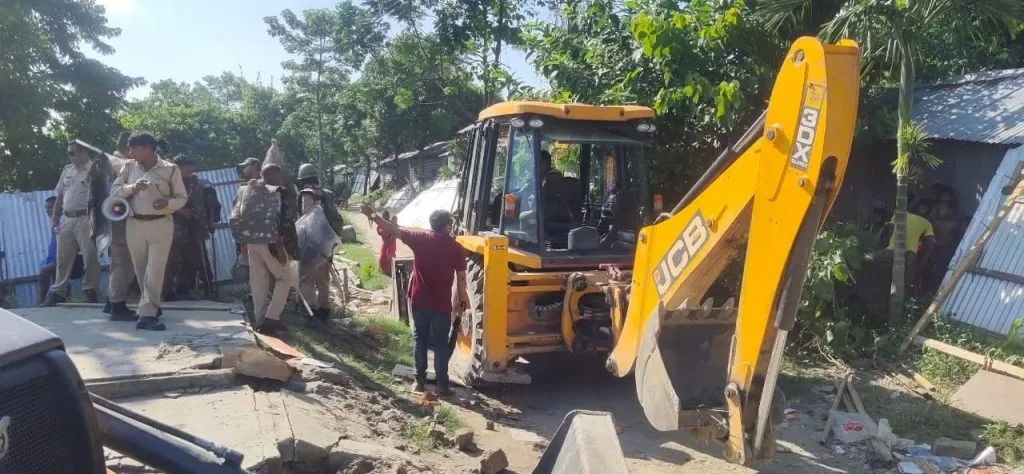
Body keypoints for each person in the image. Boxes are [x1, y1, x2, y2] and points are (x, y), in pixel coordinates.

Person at [361, 202, 469, 396]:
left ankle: (419, 383)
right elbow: (461, 278)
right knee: (441, 345)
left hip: (419, 300)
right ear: (447, 226)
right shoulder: (456, 248)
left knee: (420, 340)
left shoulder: (420, 238)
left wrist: (374, 216)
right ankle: (442, 386)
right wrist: (463, 300)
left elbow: (394, 230)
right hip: (442, 305)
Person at [111, 132, 186, 331]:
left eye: (134, 148)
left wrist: (167, 203)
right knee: (142, 269)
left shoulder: (170, 169)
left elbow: (181, 198)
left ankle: (146, 315)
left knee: (155, 270)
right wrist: (133, 188)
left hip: (161, 224)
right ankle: (152, 305)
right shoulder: (128, 167)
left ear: (148, 148)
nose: (131, 152)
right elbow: (115, 192)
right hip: (134, 224)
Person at [232, 163, 295, 334]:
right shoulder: (274, 192)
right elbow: (274, 221)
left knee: (259, 282)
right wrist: (280, 249)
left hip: (251, 242)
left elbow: (235, 216)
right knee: (285, 279)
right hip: (270, 242)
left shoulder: (246, 190)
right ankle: (271, 318)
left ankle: (260, 322)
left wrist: (242, 242)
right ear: (275, 176)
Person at [43, 141, 103, 306]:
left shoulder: (95, 169)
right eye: (69, 153)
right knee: (62, 256)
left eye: (73, 153)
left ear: (84, 152)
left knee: (90, 255)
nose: (70, 156)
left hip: (86, 217)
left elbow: (101, 193)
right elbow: (60, 195)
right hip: (67, 218)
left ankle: (90, 289)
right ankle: (58, 291)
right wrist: (55, 216)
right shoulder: (67, 171)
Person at [164, 155, 218, 300]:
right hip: (173, 228)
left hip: (195, 227)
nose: (189, 173)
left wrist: (211, 221)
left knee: (192, 259)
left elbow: (211, 205)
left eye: (191, 170)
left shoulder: (200, 183)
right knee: (171, 260)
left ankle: (184, 289)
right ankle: (167, 292)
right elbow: (160, 202)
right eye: (186, 171)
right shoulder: (167, 183)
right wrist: (180, 211)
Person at [102, 131, 139, 321]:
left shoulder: (110, 161)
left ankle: (111, 302)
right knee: (123, 264)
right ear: (129, 148)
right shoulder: (122, 164)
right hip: (122, 219)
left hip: (115, 218)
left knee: (118, 263)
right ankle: (118, 306)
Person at [296, 162, 339, 322]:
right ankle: (324, 308)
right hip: (328, 242)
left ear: (302, 179)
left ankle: (311, 310)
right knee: (323, 278)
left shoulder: (306, 194)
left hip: (311, 243)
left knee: (306, 278)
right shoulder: (327, 193)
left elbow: (304, 218)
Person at [37, 197, 59, 305]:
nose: (48, 211)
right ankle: (53, 300)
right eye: (46, 208)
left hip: (61, 259)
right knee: (54, 278)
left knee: (44, 272)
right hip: (53, 259)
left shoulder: (62, 221)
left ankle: (40, 303)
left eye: (50, 207)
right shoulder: (54, 222)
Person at [377, 210, 397, 277]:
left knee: (389, 256)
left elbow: (383, 233)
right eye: (383, 216)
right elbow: (381, 233)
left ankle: (389, 271)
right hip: (387, 243)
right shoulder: (382, 224)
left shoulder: (389, 224)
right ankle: (385, 270)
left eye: (384, 216)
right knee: (384, 255)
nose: (383, 217)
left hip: (391, 244)